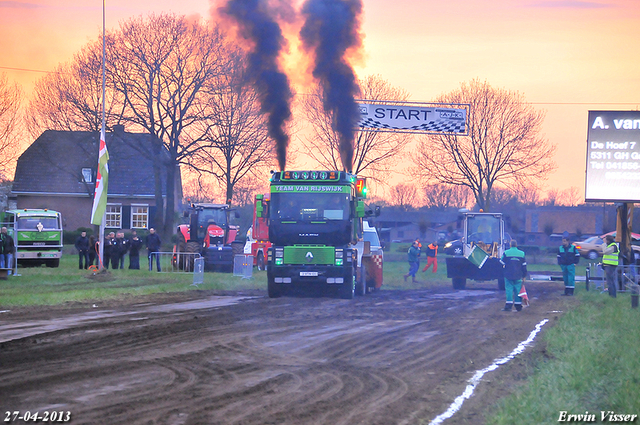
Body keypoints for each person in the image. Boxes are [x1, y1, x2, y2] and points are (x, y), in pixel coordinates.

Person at [500, 240, 528, 312]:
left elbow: (501, 262)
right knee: (518, 290)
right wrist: (524, 276)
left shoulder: (506, 253)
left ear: (510, 245)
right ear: (516, 245)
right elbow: (524, 266)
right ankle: (518, 306)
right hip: (518, 275)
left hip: (508, 275)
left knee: (509, 290)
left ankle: (508, 306)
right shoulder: (522, 254)